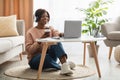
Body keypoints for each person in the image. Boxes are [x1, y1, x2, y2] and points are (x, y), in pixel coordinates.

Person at [25, 8, 75, 75]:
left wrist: (62, 34)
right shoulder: (30, 32)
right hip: (35, 59)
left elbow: (57, 34)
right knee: (45, 57)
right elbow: (29, 50)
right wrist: (40, 40)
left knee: (56, 42)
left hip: (50, 56)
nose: (46, 18)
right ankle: (64, 66)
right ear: (37, 18)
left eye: (47, 16)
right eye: (43, 16)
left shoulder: (50, 28)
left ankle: (64, 65)